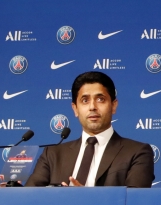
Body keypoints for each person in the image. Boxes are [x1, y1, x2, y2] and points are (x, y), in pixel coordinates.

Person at [26, 71, 154, 187]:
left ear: (113, 106)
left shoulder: (137, 152)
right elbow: (30, 198)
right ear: (75, 109)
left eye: (100, 99)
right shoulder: (52, 155)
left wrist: (88, 200)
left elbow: (134, 203)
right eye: (85, 100)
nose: (92, 107)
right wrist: (10, 194)